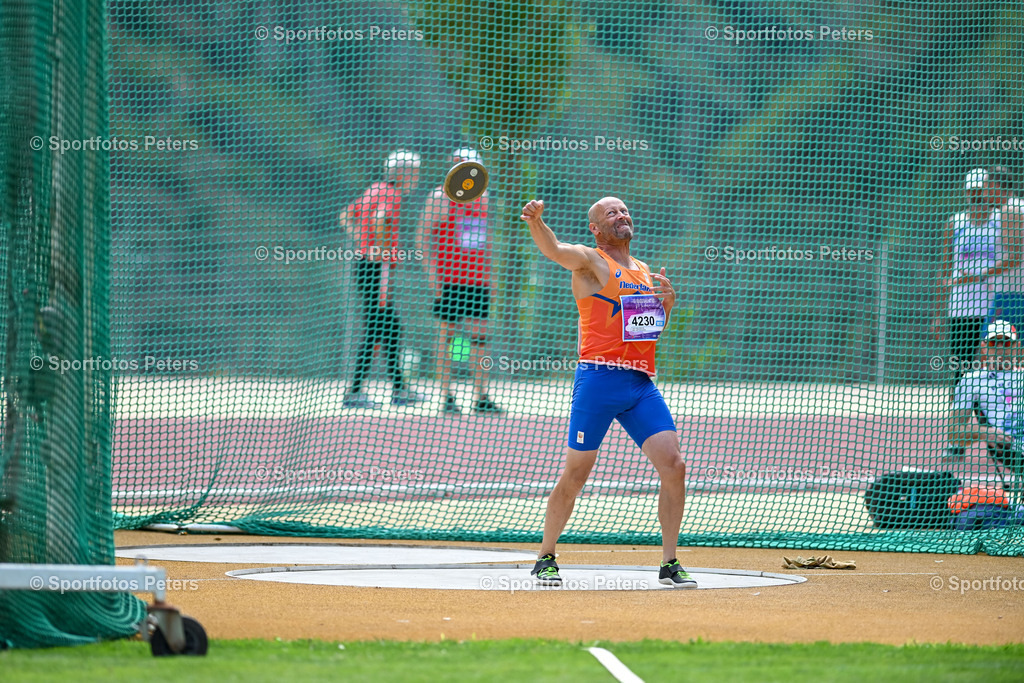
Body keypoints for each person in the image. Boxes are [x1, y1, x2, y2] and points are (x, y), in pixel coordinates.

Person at [521, 196, 696, 588]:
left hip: (638, 384)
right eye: (611, 213)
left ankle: (670, 562)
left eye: (624, 210)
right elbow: (555, 250)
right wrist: (536, 222)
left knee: (674, 465)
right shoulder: (591, 261)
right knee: (576, 475)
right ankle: (545, 555)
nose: (622, 216)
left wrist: (668, 304)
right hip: (598, 381)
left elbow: (649, 333)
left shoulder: (645, 270)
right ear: (596, 229)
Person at [934, 168, 1018, 459]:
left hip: (992, 309)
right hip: (959, 310)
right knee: (961, 374)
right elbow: (945, 270)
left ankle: (998, 433)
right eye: (972, 192)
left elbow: (1012, 259)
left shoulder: (1001, 219)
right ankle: (958, 440)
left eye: (980, 190)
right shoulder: (955, 223)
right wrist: (937, 313)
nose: (976, 197)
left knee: (996, 372)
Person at [414, 148, 501, 414]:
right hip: (449, 280)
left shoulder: (485, 199)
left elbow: (488, 243)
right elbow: (422, 239)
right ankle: (447, 396)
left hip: (479, 282)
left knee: (480, 338)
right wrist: (433, 278)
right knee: (447, 338)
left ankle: (481, 397)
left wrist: (493, 277)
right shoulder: (439, 198)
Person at [340, 149, 425, 409]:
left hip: (366, 263)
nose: (416, 178)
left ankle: (399, 389)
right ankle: (354, 392)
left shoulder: (374, 188)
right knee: (376, 329)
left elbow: (345, 215)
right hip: (378, 267)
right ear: (402, 172)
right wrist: (380, 251)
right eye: (414, 172)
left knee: (391, 328)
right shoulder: (392, 194)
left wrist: (361, 242)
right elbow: (381, 220)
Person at [948, 319, 1023, 504]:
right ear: (983, 347)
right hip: (1009, 447)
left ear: (1017, 347)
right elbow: (953, 433)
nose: (999, 348)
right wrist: (985, 432)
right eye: (993, 343)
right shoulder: (971, 381)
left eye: (1006, 342)